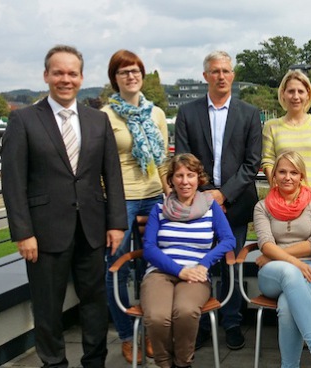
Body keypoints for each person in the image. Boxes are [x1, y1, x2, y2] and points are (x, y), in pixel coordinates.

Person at [1, 45, 127, 367]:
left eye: (72, 73)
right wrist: (23, 232)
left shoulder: (98, 121)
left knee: (95, 303)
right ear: (46, 76)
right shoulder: (23, 120)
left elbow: (112, 176)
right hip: (43, 234)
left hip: (92, 229)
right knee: (47, 307)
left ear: (82, 78)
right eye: (58, 72)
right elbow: (13, 182)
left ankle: (95, 361)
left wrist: (115, 223)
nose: (65, 79)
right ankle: (54, 364)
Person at [175, 50, 261, 350]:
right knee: (199, 263)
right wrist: (208, 193)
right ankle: (198, 324)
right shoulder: (187, 113)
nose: (221, 76)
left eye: (226, 71)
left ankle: (232, 322)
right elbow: (183, 160)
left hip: (235, 205)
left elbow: (253, 163)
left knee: (231, 264)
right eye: (215, 71)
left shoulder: (249, 113)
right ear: (205, 76)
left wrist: (223, 194)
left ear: (232, 75)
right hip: (196, 204)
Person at [101, 49, 169, 364]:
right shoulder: (105, 116)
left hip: (155, 195)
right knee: (118, 267)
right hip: (121, 199)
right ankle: (128, 336)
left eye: (136, 70)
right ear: (115, 79)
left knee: (152, 267)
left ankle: (151, 332)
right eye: (124, 71)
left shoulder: (155, 114)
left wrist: (169, 195)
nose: (131, 76)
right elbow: (99, 163)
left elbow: (164, 161)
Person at [140, 153, 235, 368]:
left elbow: (228, 240)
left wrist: (204, 264)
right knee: (157, 316)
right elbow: (149, 249)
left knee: (185, 311)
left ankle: (183, 363)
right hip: (160, 273)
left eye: (190, 175)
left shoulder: (211, 207)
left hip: (196, 273)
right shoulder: (159, 209)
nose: (185, 181)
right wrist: (179, 270)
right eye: (179, 175)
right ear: (171, 179)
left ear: (198, 178)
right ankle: (164, 363)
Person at [253, 151, 311, 368]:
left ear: (301, 175)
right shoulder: (262, 207)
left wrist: (279, 253)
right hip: (274, 272)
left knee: (286, 304)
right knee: (289, 272)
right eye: (282, 172)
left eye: (294, 172)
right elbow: (265, 245)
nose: (287, 177)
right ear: (273, 176)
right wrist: (295, 262)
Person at [260, 70, 311, 201]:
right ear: (283, 94)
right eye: (291, 91)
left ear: (308, 94)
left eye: (300, 91)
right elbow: (268, 162)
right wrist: (278, 192)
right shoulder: (271, 126)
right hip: (283, 203)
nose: (296, 96)